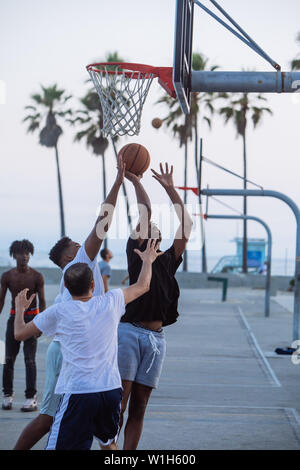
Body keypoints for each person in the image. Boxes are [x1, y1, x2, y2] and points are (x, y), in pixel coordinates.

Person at [13, 155, 125, 450]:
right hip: (69, 352)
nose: (84, 244)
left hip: (82, 348)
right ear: (68, 257)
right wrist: (117, 183)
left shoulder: (80, 270)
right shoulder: (79, 261)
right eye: (77, 245)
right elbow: (102, 223)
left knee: (102, 431)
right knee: (49, 416)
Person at [14, 239, 162, 450]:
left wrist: (20, 309)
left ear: (65, 286)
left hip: (78, 393)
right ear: (93, 285)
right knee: (108, 443)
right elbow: (143, 285)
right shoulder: (111, 301)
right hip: (111, 391)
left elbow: (19, 334)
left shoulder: (60, 311)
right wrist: (148, 260)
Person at [117, 162, 193, 450]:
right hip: (129, 334)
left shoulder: (168, 260)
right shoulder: (136, 254)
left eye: (155, 229)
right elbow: (145, 211)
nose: (151, 229)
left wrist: (170, 188)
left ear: (159, 238)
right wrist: (136, 181)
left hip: (156, 340)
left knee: (139, 407)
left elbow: (186, 225)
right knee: (119, 406)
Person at [0, 239, 46, 412]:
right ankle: (7, 395)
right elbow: (1, 300)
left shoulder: (36, 276)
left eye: (27, 253)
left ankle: (30, 398)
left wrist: (41, 324)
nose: (24, 256)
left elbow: (42, 301)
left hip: (32, 320)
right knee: (8, 359)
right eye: (21, 253)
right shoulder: (7, 276)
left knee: (29, 359)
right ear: (14, 255)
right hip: (14, 318)